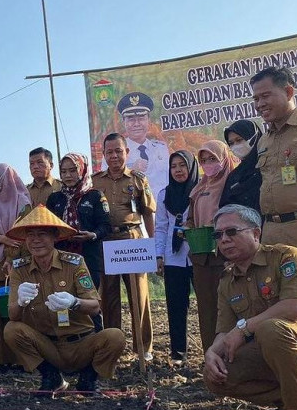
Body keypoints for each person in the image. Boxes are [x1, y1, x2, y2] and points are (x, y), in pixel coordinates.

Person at [204, 204, 297, 410]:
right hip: (276, 349)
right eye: (218, 235)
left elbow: (296, 306)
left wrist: (245, 328)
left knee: (271, 328)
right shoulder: (227, 281)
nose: (224, 240)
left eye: (232, 232)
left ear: (256, 233)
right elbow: (224, 331)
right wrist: (211, 353)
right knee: (215, 375)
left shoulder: (287, 256)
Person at [3, 205, 125, 394]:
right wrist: (21, 302)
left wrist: (74, 302)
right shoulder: (20, 269)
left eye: (42, 234)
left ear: (54, 237)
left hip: (82, 343)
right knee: (12, 330)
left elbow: (94, 306)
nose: (35, 241)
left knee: (115, 336)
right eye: (30, 235)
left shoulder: (74, 263)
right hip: (48, 346)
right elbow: (12, 315)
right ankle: (51, 377)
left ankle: (89, 378)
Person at [251, 66, 297, 288]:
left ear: (289, 92)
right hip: (272, 233)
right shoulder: (264, 140)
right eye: (255, 98)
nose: (259, 103)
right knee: (278, 300)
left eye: (265, 95)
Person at [92, 133, 156, 360]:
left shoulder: (138, 179)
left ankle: (143, 348)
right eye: (109, 152)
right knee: (108, 299)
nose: (114, 156)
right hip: (105, 242)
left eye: (118, 151)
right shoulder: (95, 181)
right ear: (104, 155)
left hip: (133, 240)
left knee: (139, 296)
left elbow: (148, 213)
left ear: (126, 152)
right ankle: (113, 348)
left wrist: (152, 245)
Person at [185, 140, 239, 352]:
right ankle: (211, 353)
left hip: (227, 255)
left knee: (232, 306)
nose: (208, 164)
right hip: (202, 257)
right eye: (204, 160)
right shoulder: (198, 189)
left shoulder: (232, 184)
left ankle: (235, 354)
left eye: (213, 159)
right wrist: (190, 229)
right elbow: (190, 218)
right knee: (207, 309)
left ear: (224, 159)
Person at [0, 163, 32, 366]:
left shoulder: (23, 203)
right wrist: (1, 238)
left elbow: (23, 234)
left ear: (3, 180)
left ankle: (21, 360)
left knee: (17, 310)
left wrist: (11, 259)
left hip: (18, 263)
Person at [155, 150, 199, 365]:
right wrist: (159, 256)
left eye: (183, 165)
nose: (178, 170)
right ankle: (178, 353)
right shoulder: (164, 194)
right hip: (174, 257)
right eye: (174, 166)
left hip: (199, 254)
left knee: (208, 304)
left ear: (191, 167)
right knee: (176, 305)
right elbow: (161, 227)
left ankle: (212, 347)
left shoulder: (201, 191)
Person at [46, 152, 111, 294]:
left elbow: (105, 226)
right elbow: (48, 228)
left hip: (88, 257)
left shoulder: (95, 196)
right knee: (62, 301)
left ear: (82, 170)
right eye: (63, 172)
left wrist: (92, 235)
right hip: (61, 258)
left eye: (72, 170)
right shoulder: (55, 198)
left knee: (88, 300)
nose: (67, 175)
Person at [116, 92, 170, 193]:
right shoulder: (116, 153)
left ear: (149, 120)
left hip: (163, 206)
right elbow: (109, 186)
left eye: (141, 118)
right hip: (133, 207)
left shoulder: (161, 148)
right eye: (131, 119)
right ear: (124, 122)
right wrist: (131, 171)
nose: (136, 124)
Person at [219, 120, 263, 213]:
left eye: (239, 140)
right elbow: (225, 207)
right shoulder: (234, 176)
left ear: (253, 137)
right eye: (231, 143)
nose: (235, 146)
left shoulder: (268, 167)